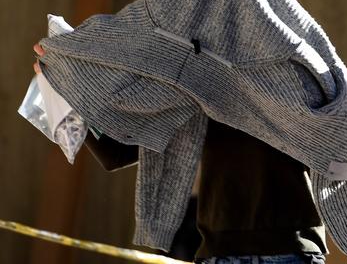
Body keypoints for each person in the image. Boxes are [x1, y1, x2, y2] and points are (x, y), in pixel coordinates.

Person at [33, 44, 328, 264]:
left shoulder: (298, 74)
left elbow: (117, 148)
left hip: (280, 253)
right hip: (238, 253)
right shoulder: (202, 86)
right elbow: (118, 150)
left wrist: (67, 89)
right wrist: (63, 87)